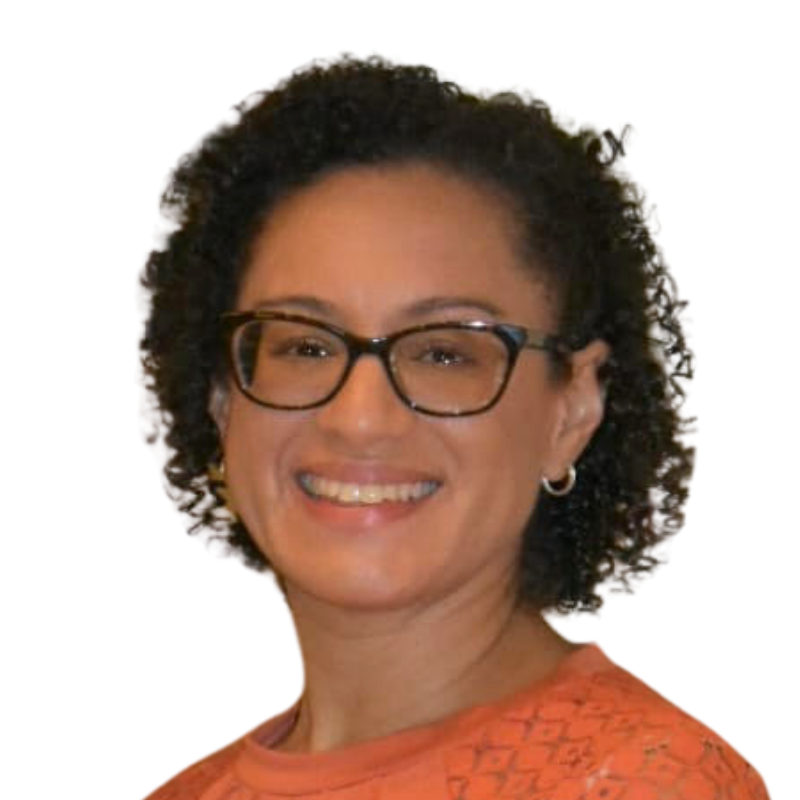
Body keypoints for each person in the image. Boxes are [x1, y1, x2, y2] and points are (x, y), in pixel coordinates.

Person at [139, 55, 770, 799]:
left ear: (571, 412)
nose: (359, 418)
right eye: (304, 345)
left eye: (443, 353)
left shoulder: (642, 783)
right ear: (222, 401)